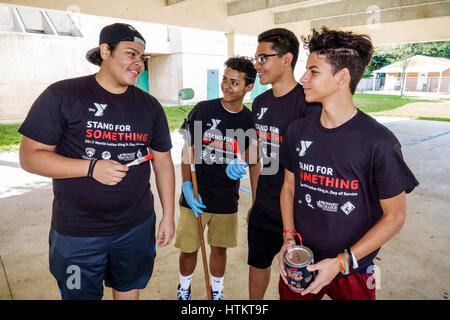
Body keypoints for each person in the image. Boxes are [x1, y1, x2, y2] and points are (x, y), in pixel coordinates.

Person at [18, 23, 175, 300]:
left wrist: (168, 216)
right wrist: (91, 168)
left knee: (129, 288)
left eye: (142, 57)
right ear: (105, 51)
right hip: (77, 233)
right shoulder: (63, 95)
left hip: (136, 227)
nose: (138, 63)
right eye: (130, 53)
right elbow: (30, 157)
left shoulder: (150, 106)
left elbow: (162, 161)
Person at [278, 27, 419, 300]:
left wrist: (342, 262)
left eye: (314, 71)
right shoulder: (297, 131)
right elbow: (288, 187)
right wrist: (288, 239)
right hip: (302, 260)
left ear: (342, 77)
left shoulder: (379, 142)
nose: (303, 78)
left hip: (355, 266)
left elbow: (395, 217)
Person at [226, 28, 321, 300]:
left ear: (286, 59)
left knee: (299, 276)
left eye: (263, 58)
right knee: (257, 263)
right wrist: (244, 161)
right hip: (265, 205)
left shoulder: (309, 103)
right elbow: (258, 149)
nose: (257, 66)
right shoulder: (260, 102)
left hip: (300, 210)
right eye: (256, 59)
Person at [175, 56, 258, 300]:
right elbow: (186, 152)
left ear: (248, 87)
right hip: (196, 194)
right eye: (224, 79)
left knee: (219, 247)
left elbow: (255, 153)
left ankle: (217, 290)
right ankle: (184, 288)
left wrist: (241, 159)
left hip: (225, 197)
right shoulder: (203, 109)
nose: (226, 86)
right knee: (189, 248)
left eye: (234, 82)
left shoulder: (248, 119)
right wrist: (187, 185)